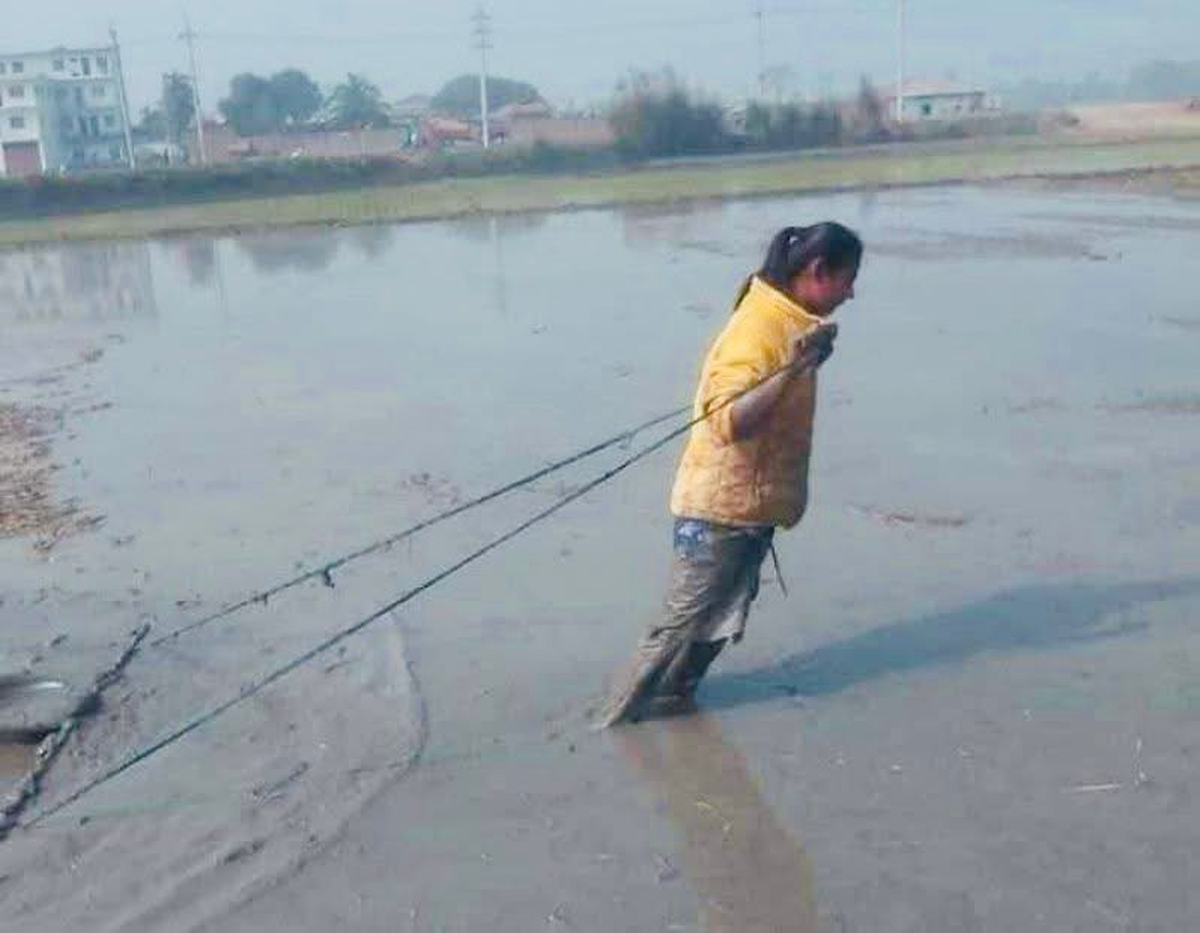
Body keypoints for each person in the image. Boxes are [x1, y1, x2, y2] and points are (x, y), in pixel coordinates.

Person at [598, 222, 863, 727]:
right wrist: (794, 370)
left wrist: (802, 363)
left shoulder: (788, 320)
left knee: (719, 618)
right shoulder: (759, 328)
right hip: (720, 507)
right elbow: (728, 420)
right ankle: (611, 721)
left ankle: (671, 705)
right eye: (847, 279)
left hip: (751, 505)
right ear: (816, 271)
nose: (851, 292)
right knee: (679, 625)